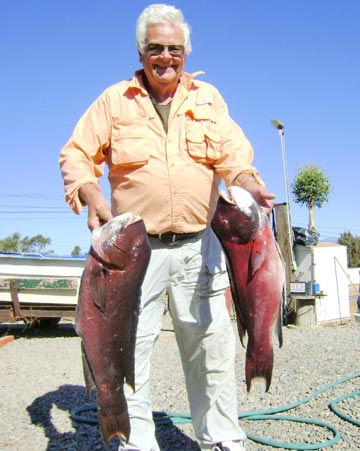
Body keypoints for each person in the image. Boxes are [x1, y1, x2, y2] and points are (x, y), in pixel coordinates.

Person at [59, 4, 275, 451]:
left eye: (174, 49)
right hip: (135, 255)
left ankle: (221, 441)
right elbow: (76, 154)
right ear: (141, 52)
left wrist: (251, 185)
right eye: (156, 48)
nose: (166, 57)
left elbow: (235, 158)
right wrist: (91, 195)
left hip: (201, 245)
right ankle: (134, 443)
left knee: (212, 352)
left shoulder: (208, 99)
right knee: (129, 351)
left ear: (186, 52)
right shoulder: (115, 100)